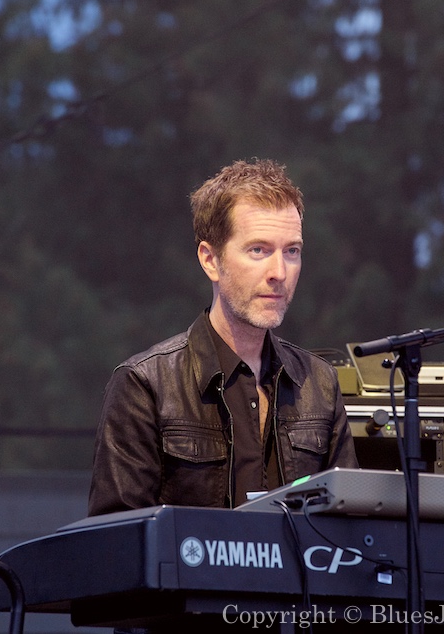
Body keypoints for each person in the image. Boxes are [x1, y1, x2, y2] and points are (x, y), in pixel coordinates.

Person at [87, 159, 358, 515]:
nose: (279, 272)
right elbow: (118, 543)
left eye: (291, 251)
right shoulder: (145, 385)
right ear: (210, 259)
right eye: (258, 250)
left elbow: (348, 528)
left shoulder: (319, 383)